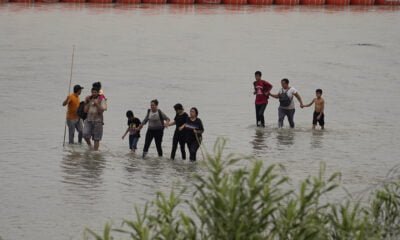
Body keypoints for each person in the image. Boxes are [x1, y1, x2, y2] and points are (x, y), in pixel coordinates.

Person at [83, 87, 107, 151]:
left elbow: (101, 111)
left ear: (98, 93)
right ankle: (90, 145)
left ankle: (95, 152)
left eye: (95, 92)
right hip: (88, 120)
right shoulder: (89, 99)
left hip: (98, 121)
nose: (94, 93)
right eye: (92, 92)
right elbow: (85, 111)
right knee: (85, 134)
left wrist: (97, 104)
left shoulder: (102, 99)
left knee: (96, 138)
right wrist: (87, 102)